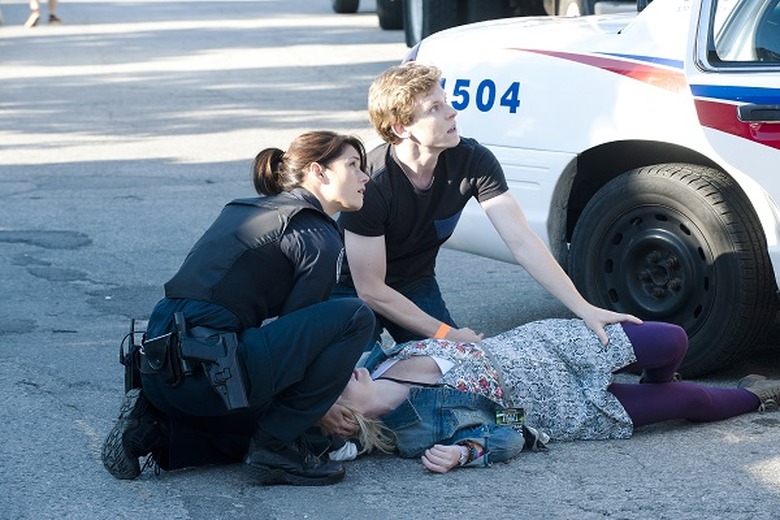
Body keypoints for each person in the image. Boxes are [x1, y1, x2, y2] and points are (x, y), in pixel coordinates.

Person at [101, 131, 375, 486]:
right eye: (353, 165)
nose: (365, 177)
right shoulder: (315, 233)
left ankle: (153, 429)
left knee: (279, 419)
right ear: (317, 172)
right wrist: (318, 410)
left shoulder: (245, 208)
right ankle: (275, 450)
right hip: (208, 374)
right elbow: (303, 351)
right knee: (355, 316)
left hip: (158, 370)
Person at [335, 62, 638, 351]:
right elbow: (370, 289)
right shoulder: (372, 182)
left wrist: (584, 308)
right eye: (435, 108)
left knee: (455, 367)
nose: (453, 112)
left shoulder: (473, 159)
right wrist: (447, 334)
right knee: (355, 374)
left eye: (446, 101)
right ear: (402, 128)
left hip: (414, 282)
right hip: (352, 291)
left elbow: (521, 240)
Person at [324, 319, 780, 473]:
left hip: (545, 345)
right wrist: (467, 452)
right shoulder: (417, 430)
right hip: (563, 407)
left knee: (671, 339)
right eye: (337, 388)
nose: (346, 375)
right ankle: (758, 396)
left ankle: (658, 383)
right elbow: (507, 432)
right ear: (347, 420)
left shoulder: (375, 361)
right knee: (693, 402)